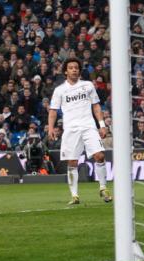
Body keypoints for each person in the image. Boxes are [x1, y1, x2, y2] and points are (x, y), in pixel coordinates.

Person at [48, 57, 112, 205]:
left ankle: (103, 188)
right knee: (72, 161)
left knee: (100, 155)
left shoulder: (88, 85)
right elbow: (53, 111)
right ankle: (75, 195)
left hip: (89, 126)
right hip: (71, 129)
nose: (74, 70)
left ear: (79, 70)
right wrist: (51, 128)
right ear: (66, 71)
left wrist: (102, 125)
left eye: (76, 67)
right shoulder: (60, 90)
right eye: (71, 68)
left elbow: (96, 106)